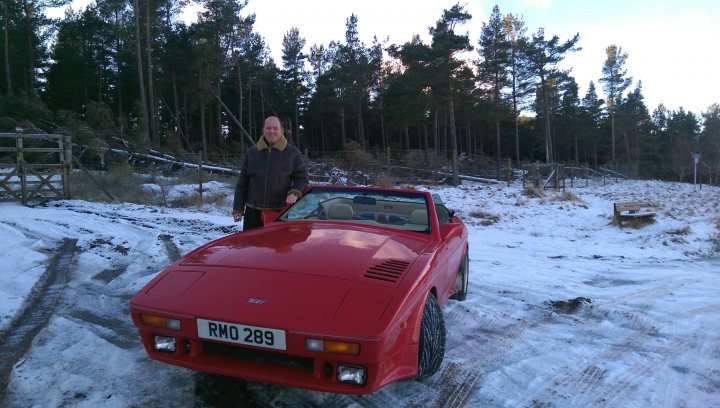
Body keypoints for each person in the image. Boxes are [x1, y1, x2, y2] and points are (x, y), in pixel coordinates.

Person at [232, 116, 309, 230]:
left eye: (275, 128)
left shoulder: (293, 153)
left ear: (281, 131)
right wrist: (237, 208)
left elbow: (302, 178)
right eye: (268, 128)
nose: (271, 131)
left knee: (277, 247)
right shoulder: (252, 153)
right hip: (252, 213)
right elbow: (242, 183)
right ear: (263, 130)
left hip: (280, 213)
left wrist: (295, 192)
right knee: (252, 247)